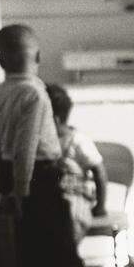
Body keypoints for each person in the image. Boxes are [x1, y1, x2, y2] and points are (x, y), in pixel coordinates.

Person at [0, 25, 89, 267]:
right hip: (37, 179)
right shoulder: (36, 94)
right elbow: (27, 147)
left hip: (9, 173)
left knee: (32, 253)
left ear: (1, 61)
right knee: (61, 248)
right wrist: (21, 190)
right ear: (39, 56)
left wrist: (4, 172)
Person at [45, 83, 108, 244]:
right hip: (53, 195)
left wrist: (100, 206)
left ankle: (68, 255)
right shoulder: (44, 142)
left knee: (72, 217)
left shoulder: (78, 141)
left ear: (55, 120)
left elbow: (99, 171)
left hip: (77, 195)